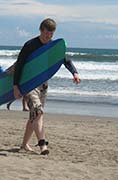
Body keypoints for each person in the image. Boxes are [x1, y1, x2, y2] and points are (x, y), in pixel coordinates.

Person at [13, 18, 80, 155]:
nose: (48, 37)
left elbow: (65, 59)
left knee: (34, 116)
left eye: (51, 35)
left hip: (43, 84)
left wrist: (74, 73)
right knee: (38, 112)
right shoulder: (30, 45)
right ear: (41, 30)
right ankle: (42, 144)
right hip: (28, 84)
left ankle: (24, 144)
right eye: (46, 34)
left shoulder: (52, 46)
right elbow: (19, 65)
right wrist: (16, 86)